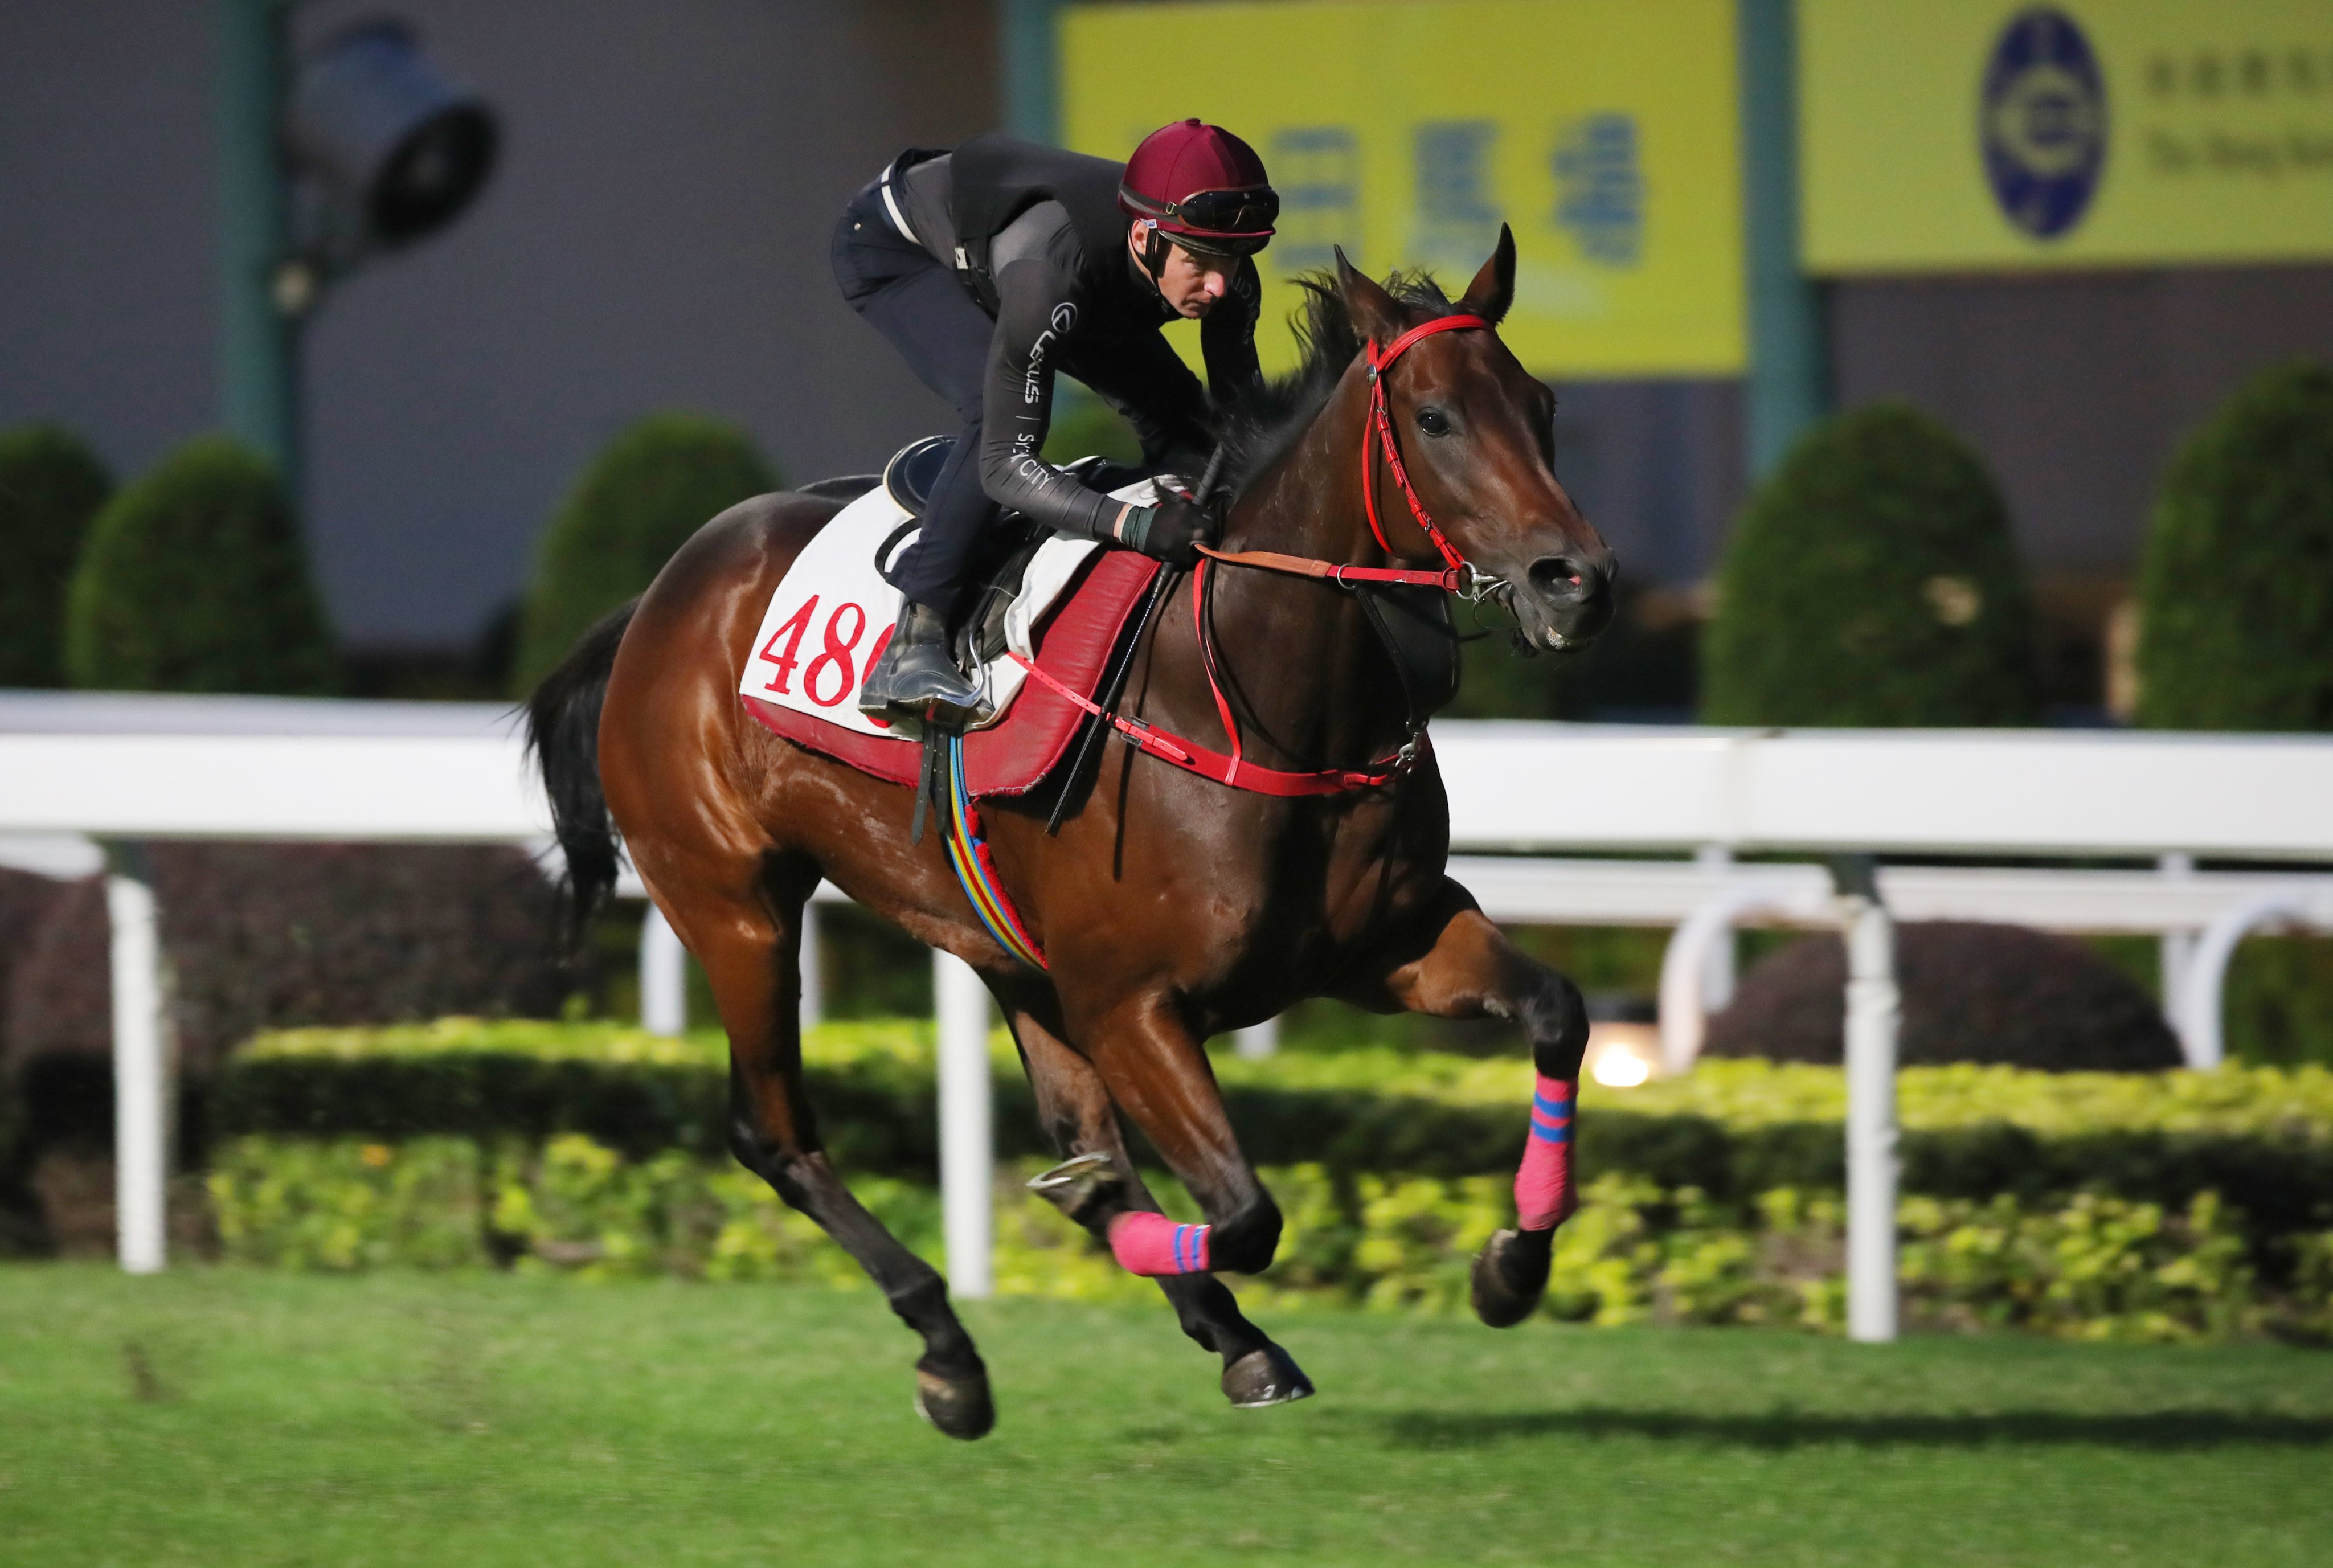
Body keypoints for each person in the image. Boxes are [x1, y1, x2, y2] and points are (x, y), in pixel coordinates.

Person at [832, 120, 1279, 724]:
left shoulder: (1217, 273)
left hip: (1058, 268)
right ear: (1146, 236)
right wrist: (1135, 526)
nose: (1220, 284)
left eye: (1236, 257)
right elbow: (1004, 465)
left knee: (1194, 438)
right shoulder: (1049, 272)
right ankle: (915, 638)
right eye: (1200, 261)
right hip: (901, 251)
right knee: (995, 416)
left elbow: (1240, 433)